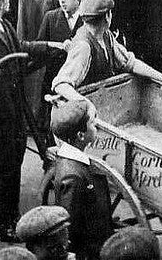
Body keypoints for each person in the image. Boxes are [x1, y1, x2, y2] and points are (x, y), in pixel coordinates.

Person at [0, 0, 66, 232]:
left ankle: (11, 217)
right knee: (3, 168)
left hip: (13, 110)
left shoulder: (5, 26)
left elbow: (22, 47)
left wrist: (51, 46)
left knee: (14, 164)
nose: (9, 1)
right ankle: (3, 224)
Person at [47, 100, 112, 260]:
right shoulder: (72, 177)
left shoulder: (73, 162)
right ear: (81, 136)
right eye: (92, 124)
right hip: (88, 251)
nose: (95, 126)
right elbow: (70, 223)